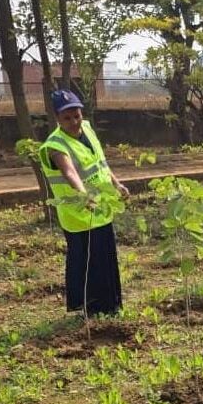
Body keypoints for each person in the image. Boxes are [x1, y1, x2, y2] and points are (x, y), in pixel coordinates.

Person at [38, 89, 130, 316]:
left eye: (76, 115)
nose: (74, 122)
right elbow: (70, 173)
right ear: (57, 119)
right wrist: (84, 196)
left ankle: (111, 306)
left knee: (106, 258)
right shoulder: (55, 145)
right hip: (78, 214)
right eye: (67, 118)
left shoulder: (87, 129)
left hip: (101, 208)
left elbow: (101, 163)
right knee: (88, 262)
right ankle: (90, 309)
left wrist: (117, 184)